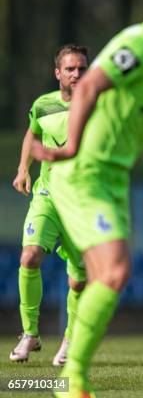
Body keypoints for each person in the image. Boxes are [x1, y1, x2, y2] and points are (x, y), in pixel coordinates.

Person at [30, 0, 143, 396]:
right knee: (114, 272)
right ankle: (73, 381)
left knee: (103, 277)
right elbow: (89, 87)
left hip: (111, 179)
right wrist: (70, 145)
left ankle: (73, 377)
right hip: (88, 174)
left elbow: (121, 112)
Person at [10, 44, 89, 367]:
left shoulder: (97, 105)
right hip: (48, 196)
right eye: (70, 68)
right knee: (29, 256)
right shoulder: (43, 105)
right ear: (58, 72)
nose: (76, 74)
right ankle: (30, 334)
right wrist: (22, 169)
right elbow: (33, 134)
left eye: (82, 68)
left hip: (82, 202)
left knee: (78, 280)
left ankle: (70, 338)